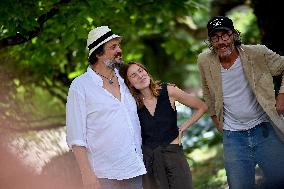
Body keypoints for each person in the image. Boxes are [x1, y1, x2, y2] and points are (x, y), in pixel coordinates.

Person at [197, 16, 284, 189]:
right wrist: (215, 118)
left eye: (225, 35)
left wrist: (282, 94)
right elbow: (207, 91)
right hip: (233, 136)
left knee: (280, 180)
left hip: (264, 129)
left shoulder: (257, 53)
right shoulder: (204, 61)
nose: (221, 42)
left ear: (234, 35)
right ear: (210, 41)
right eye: (215, 37)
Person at [66, 26, 146, 189]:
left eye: (118, 45)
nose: (119, 50)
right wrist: (86, 174)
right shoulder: (80, 86)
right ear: (98, 53)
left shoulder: (126, 80)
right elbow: (76, 137)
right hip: (104, 176)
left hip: (134, 168)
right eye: (113, 47)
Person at [119, 61, 208, 189]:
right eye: (133, 75)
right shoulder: (132, 105)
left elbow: (202, 106)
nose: (140, 76)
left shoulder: (168, 91)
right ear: (129, 83)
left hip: (174, 155)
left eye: (140, 70)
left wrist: (183, 127)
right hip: (150, 161)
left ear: (146, 72)